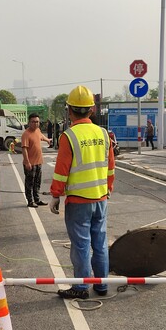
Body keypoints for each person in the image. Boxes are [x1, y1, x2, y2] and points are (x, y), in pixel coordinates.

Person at [49, 86, 115, 299]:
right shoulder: (104, 134)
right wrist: (108, 189)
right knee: (100, 243)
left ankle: (81, 287)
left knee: (81, 246)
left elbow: (61, 171)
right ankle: (102, 285)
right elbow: (110, 167)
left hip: (78, 202)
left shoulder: (69, 136)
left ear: (69, 110)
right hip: (100, 198)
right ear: (92, 110)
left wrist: (55, 196)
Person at [21, 113, 51, 208]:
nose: (35, 124)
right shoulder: (26, 134)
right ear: (29, 122)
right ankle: (30, 201)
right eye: (33, 122)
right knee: (30, 183)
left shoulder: (37, 130)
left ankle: (37, 199)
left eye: (37, 122)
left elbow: (41, 136)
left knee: (37, 182)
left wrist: (48, 140)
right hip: (30, 164)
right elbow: (24, 149)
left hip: (39, 162)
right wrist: (27, 162)